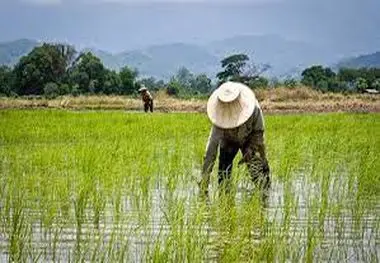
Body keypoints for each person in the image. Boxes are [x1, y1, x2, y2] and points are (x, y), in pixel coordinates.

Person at [200, 81, 270, 195]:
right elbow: (211, 150)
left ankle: (265, 197)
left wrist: (250, 149)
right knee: (223, 175)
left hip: (250, 138)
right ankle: (225, 198)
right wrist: (204, 182)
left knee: (259, 173)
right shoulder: (219, 117)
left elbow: (259, 133)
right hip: (228, 141)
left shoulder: (254, 108)